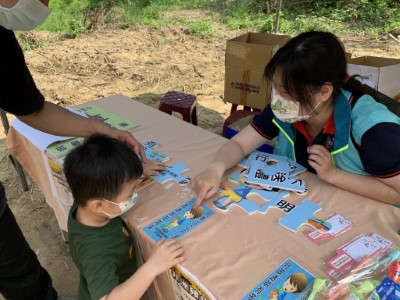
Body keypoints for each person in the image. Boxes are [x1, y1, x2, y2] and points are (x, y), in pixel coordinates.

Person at [0, 0, 157, 299]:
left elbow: (31, 109)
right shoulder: (97, 247)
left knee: (21, 277)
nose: (44, 5)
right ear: (99, 203)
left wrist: (125, 163)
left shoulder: (85, 207)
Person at [193, 31, 400, 207]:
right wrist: (215, 169)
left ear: (324, 92)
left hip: (367, 217)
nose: (278, 100)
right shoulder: (287, 109)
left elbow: (397, 194)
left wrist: (334, 175)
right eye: (276, 88)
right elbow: (239, 144)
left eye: (287, 92)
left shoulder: (374, 129)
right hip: (308, 204)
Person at [63, 134, 186, 300]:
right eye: (130, 193)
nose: (135, 193)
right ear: (98, 205)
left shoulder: (84, 200)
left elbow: (104, 176)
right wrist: (152, 267)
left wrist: (133, 173)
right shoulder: (96, 251)